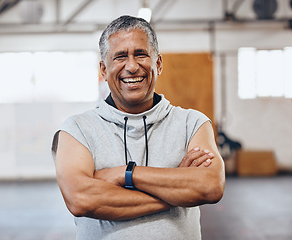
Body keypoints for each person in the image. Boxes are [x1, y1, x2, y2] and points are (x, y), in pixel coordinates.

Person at [52, 15, 225, 240]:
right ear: (103, 70)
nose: (132, 66)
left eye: (141, 54)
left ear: (158, 64)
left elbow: (210, 186)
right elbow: (80, 199)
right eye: (120, 57)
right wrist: (178, 189)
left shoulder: (192, 123)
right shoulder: (77, 130)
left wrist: (125, 174)